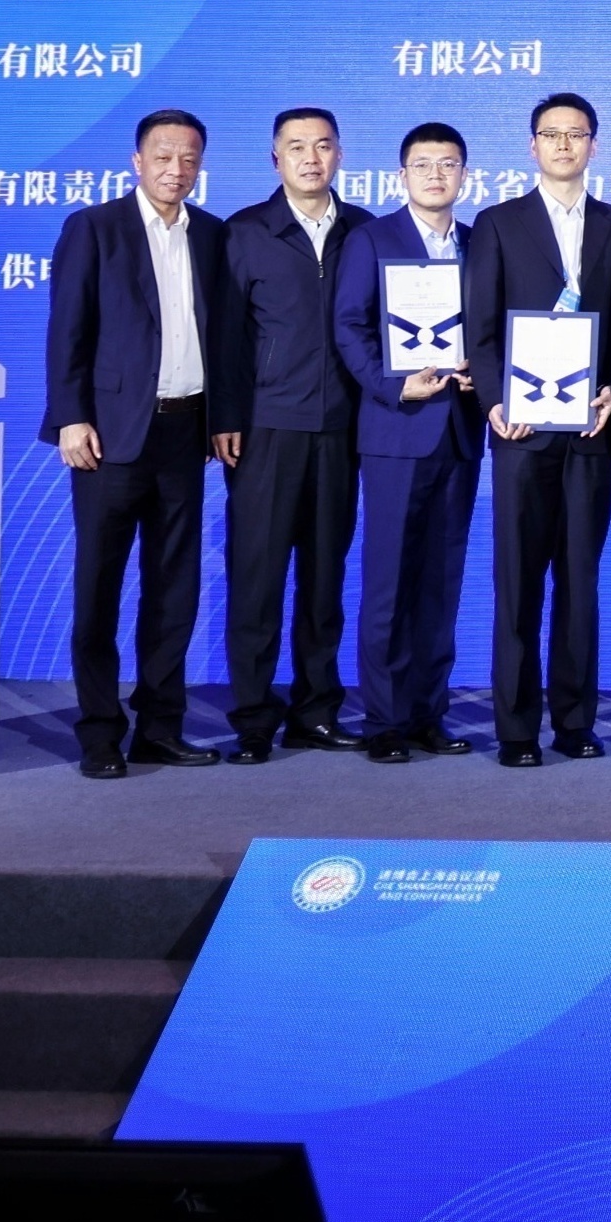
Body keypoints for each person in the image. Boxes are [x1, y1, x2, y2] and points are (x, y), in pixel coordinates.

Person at [41, 108, 244, 778]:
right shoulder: (95, 228)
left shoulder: (211, 234)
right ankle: (100, 732)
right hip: (108, 436)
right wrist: (70, 417)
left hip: (185, 433)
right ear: (137, 160)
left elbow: (222, 339)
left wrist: (220, 417)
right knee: (98, 589)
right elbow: (67, 330)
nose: (175, 169)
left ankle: (160, 727)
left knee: (173, 589)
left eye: (189, 158)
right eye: (163, 156)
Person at [464, 90, 611, 766]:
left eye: (577, 134)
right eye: (551, 133)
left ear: (595, 145)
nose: (564, 144)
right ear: (532, 145)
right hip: (521, 432)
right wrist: (494, 401)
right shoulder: (498, 223)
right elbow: (480, 329)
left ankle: (574, 723)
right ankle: (515, 729)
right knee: (517, 583)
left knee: (579, 582)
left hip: (591, 431)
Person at [213, 106, 369, 762]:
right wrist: (225, 417)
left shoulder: (364, 231)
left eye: (323, 146)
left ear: (340, 156)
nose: (311, 158)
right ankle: (253, 719)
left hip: (341, 430)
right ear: (275, 159)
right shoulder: (246, 231)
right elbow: (225, 335)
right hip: (266, 431)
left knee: (325, 581)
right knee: (257, 580)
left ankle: (316, 712)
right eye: (297, 147)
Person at [330, 121, 481, 761]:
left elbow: (491, 329)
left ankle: (427, 712)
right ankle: (385, 721)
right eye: (423, 165)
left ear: (464, 175)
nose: (436, 175)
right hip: (395, 432)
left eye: (448, 164)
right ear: (402, 175)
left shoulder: (478, 243)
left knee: (441, 583)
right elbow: (349, 326)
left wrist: (485, 372)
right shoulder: (372, 238)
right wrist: (395, 387)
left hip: (461, 431)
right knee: (389, 580)